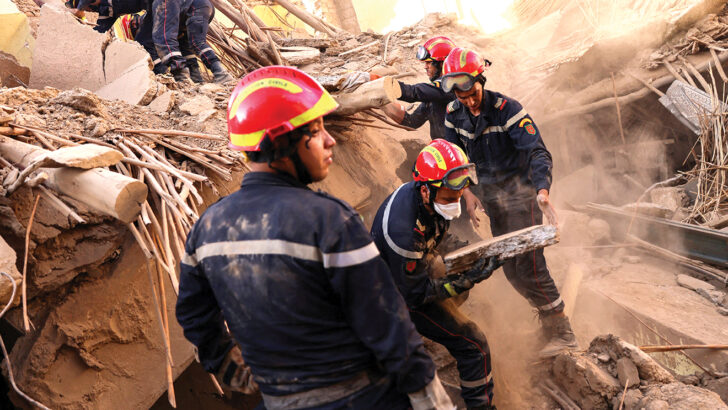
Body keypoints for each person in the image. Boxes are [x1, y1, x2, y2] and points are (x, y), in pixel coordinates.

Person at [175, 66, 453, 409]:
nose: (330, 140)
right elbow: (386, 323)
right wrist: (429, 396)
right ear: (284, 141)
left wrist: (231, 370)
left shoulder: (206, 229)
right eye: (317, 130)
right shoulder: (328, 220)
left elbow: (192, 314)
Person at [440, 47, 577, 357]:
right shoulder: (453, 115)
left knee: (529, 266)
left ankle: (563, 332)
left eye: (473, 93)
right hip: (492, 201)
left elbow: (537, 152)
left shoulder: (507, 109)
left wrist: (542, 190)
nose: (469, 101)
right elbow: (454, 159)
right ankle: (547, 324)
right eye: (462, 98)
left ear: (481, 81)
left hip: (522, 196)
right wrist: (468, 192)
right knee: (510, 270)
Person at [371, 139, 500, 410]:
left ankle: (431, 333)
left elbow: (438, 233)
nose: (455, 203)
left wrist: (470, 252)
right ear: (426, 191)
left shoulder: (426, 196)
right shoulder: (403, 232)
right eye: (450, 198)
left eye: (458, 195)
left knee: (456, 283)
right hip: (395, 299)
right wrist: (469, 277)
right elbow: (416, 295)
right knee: (474, 343)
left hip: (410, 277)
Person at [381, 35, 459, 140]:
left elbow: (413, 92)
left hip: (459, 153)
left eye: (429, 62)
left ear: (442, 64)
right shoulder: (434, 96)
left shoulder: (449, 87)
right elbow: (412, 122)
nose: (425, 66)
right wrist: (382, 102)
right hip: (444, 150)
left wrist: (382, 84)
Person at [151, 0, 232, 82]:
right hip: (204, 7)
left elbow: (164, 36)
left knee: (163, 37)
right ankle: (199, 78)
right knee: (191, 44)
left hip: (193, 8)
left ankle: (182, 77)